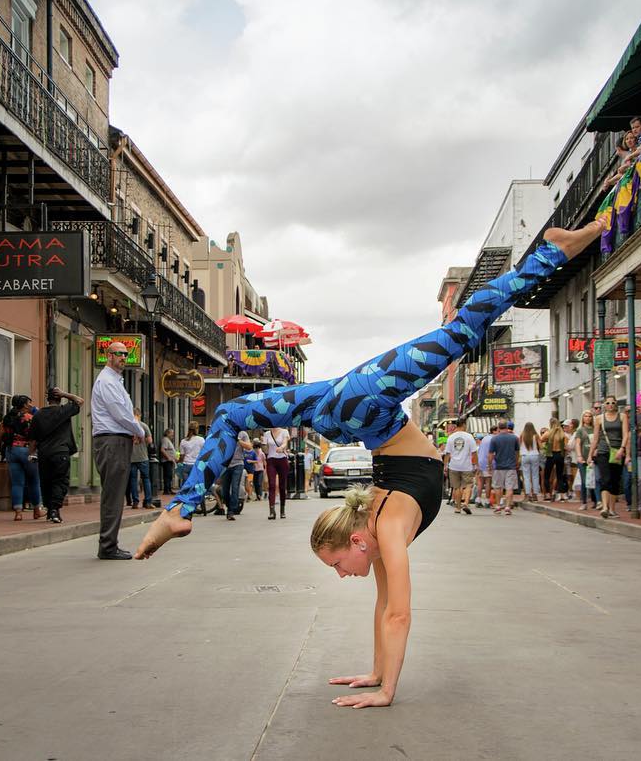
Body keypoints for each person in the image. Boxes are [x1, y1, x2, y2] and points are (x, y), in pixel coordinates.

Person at [134, 224, 601, 712]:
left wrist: (387, 690)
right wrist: (378, 677)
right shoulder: (383, 529)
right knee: (232, 414)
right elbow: (391, 610)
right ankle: (180, 507)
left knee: (462, 331)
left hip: (361, 403)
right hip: (352, 406)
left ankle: (551, 254)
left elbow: (396, 613)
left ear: (357, 540)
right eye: (337, 567)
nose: (340, 575)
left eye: (336, 564)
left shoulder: (384, 523)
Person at [91, 341, 146, 560]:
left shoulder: (114, 380)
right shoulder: (107, 381)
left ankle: (109, 543)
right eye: (119, 354)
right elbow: (120, 413)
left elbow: (124, 413)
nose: (123, 357)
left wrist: (132, 429)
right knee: (113, 494)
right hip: (112, 440)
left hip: (117, 438)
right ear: (108, 355)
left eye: (126, 354)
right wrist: (139, 430)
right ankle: (107, 546)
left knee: (115, 493)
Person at [30, 386, 84, 524]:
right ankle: (54, 510)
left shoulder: (38, 415)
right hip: (60, 452)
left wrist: (31, 453)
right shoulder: (63, 410)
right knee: (60, 481)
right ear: (59, 398)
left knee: (46, 481)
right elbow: (80, 401)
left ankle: (49, 509)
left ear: (47, 399)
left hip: (44, 453)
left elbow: (33, 439)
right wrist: (65, 393)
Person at [1, 394, 43, 521]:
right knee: (34, 481)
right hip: (26, 449)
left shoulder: (8, 417)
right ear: (25, 404)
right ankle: (37, 510)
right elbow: (36, 434)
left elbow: (0, 433)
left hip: (11, 450)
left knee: (17, 483)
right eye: (29, 402)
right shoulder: (29, 417)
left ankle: (18, 512)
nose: (31, 404)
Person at [588, 396, 629, 519]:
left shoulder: (622, 417)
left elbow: (626, 434)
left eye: (613, 402)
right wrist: (590, 454)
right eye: (608, 403)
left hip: (617, 451)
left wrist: (622, 449)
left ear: (616, 404)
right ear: (604, 405)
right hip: (603, 451)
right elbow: (595, 438)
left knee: (615, 480)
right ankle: (605, 507)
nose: (610, 405)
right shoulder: (599, 419)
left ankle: (612, 509)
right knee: (605, 479)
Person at [443, 417, 477, 515]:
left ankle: (458, 507)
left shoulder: (451, 437)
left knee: (457, 487)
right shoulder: (469, 437)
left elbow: (447, 454)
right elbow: (474, 453)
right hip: (467, 466)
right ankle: (465, 503)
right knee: (468, 485)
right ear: (463, 424)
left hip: (454, 466)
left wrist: (445, 466)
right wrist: (476, 464)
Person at [489, 420, 520, 515]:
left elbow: (491, 453)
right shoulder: (514, 438)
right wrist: (516, 462)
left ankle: (498, 505)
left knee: (498, 487)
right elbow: (517, 452)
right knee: (509, 487)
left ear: (498, 427)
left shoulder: (494, 439)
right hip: (511, 466)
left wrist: (489, 464)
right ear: (507, 427)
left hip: (498, 466)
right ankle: (507, 506)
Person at [126, 408, 154, 509]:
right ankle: (148, 501)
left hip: (131, 457)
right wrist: (143, 442)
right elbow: (150, 441)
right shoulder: (144, 425)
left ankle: (135, 502)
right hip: (143, 456)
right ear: (139, 415)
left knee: (133, 480)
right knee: (146, 479)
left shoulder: (128, 427)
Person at [264, 426, 292, 520]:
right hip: (271, 461)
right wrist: (263, 445)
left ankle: (282, 510)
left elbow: (285, 443)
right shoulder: (267, 434)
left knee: (282, 486)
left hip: (282, 460)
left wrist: (281, 447)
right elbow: (266, 450)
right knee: (271, 485)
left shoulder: (284, 432)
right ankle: (272, 511)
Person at [541, 418, 567, 502]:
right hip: (560, 455)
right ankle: (562, 495)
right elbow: (567, 445)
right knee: (560, 475)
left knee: (547, 475)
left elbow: (541, 440)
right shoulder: (563, 434)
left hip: (551, 455)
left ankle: (548, 494)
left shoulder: (548, 433)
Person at [575, 411, 596, 509]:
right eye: (586, 416)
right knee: (584, 480)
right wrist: (579, 456)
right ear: (582, 418)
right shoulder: (580, 430)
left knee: (593, 480)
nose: (588, 418)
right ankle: (584, 502)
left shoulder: (595, 429)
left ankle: (595, 500)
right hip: (583, 458)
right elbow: (578, 443)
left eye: (590, 416)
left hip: (593, 458)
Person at [178, 423, 205, 495]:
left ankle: (186, 501)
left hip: (186, 465)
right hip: (196, 465)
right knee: (196, 486)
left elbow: (182, 456)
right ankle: (196, 503)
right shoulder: (201, 440)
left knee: (186, 486)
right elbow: (204, 452)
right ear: (197, 429)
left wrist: (179, 462)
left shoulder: (183, 441)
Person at [518, 422, 541, 503]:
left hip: (524, 455)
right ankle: (535, 494)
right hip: (534, 455)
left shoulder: (522, 435)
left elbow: (519, 446)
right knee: (535, 475)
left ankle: (527, 495)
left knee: (526, 476)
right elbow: (540, 446)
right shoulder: (536, 435)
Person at [475, 432, 493, 508]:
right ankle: (487, 501)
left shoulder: (481, 445)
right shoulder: (490, 441)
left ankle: (478, 499)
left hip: (480, 463)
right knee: (488, 482)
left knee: (480, 482)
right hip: (486, 463)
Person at [159, 428, 177, 495]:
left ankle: (169, 489)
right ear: (167, 433)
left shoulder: (168, 440)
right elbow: (162, 450)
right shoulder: (165, 440)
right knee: (167, 475)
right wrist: (168, 457)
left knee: (169, 475)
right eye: (172, 433)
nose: (173, 434)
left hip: (170, 461)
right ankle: (166, 490)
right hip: (166, 461)